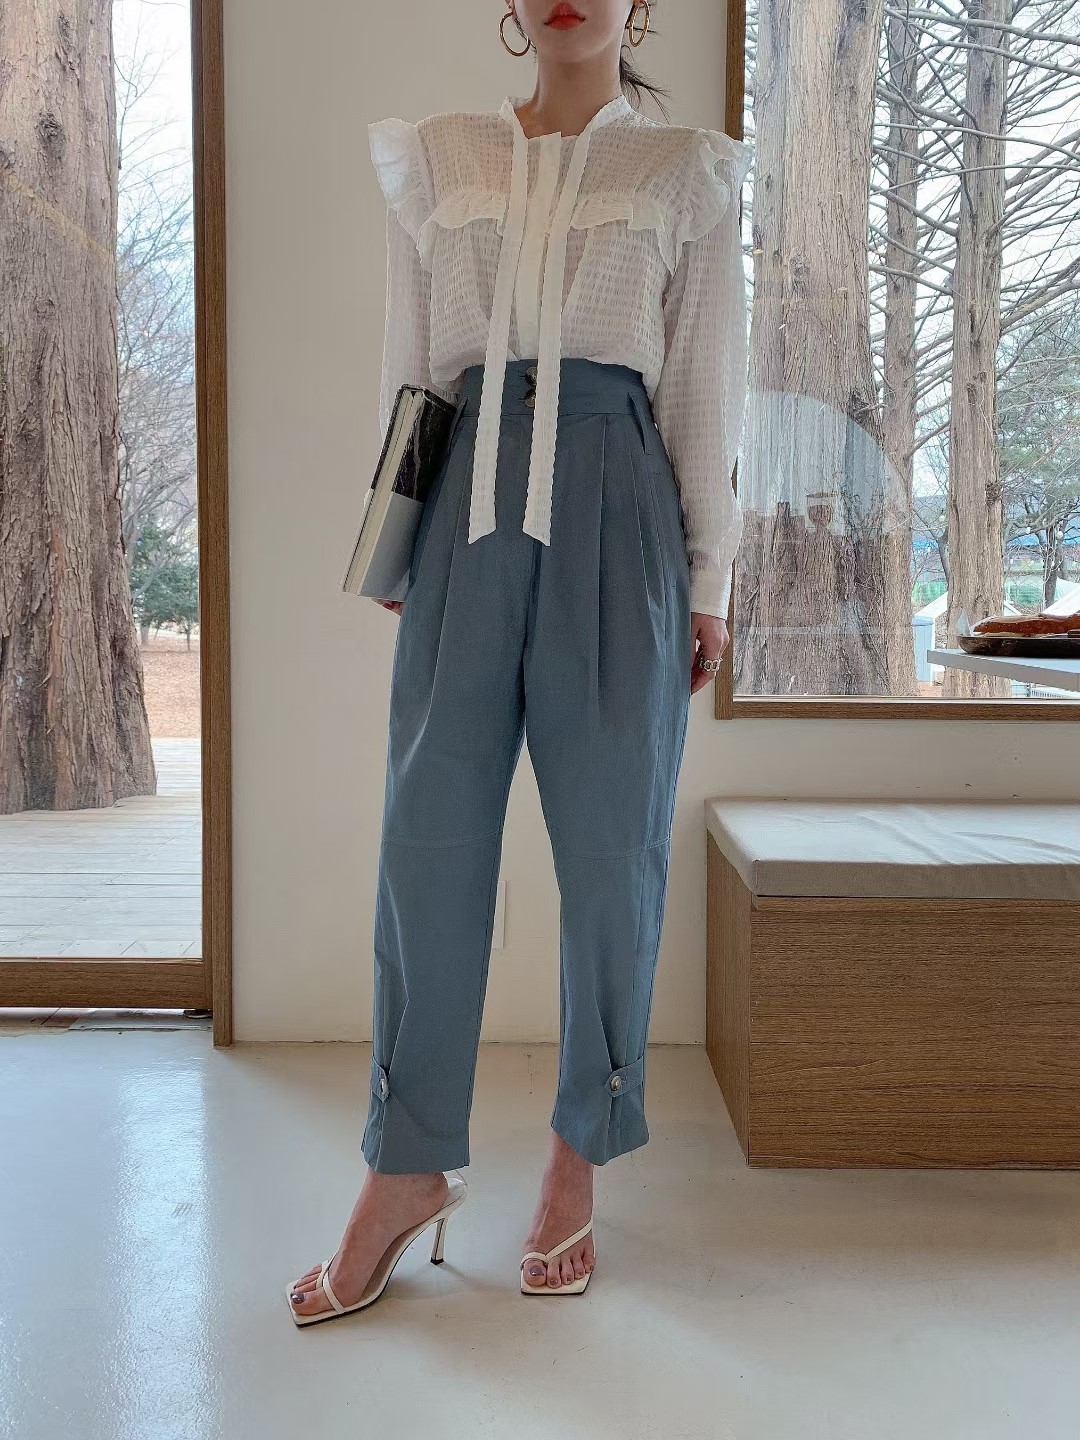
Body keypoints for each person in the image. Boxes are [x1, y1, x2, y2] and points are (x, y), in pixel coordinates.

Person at [288, 0, 752, 1322]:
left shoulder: (685, 170)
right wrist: (398, 538)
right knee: (428, 835)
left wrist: (707, 583)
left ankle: (578, 1149)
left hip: (621, 507)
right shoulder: (438, 156)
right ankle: (407, 1165)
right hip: (465, 508)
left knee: (612, 845)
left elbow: (704, 386)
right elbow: (410, 368)